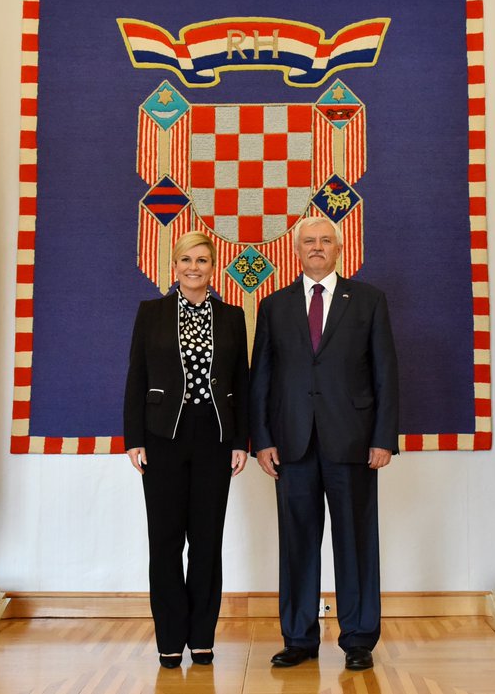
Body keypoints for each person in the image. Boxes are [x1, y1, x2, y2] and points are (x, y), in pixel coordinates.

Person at [249, 216, 399, 671]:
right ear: (296, 250)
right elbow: (261, 378)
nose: (317, 247)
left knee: (355, 541)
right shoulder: (274, 305)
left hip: (353, 442)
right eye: (309, 241)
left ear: (339, 248)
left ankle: (358, 639)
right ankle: (299, 638)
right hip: (291, 443)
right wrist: (262, 439)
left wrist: (383, 437)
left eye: (325, 240)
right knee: (297, 543)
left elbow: (385, 373)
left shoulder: (368, 300)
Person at [124, 231, 250, 668]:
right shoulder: (152, 312)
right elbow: (136, 377)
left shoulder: (232, 316)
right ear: (174, 265)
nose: (194, 268)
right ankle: (170, 638)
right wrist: (134, 438)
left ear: (213, 267)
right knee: (165, 541)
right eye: (186, 260)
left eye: (202, 260)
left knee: (206, 541)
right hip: (162, 438)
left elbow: (242, 383)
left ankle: (201, 637)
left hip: (215, 438)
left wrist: (241, 441)